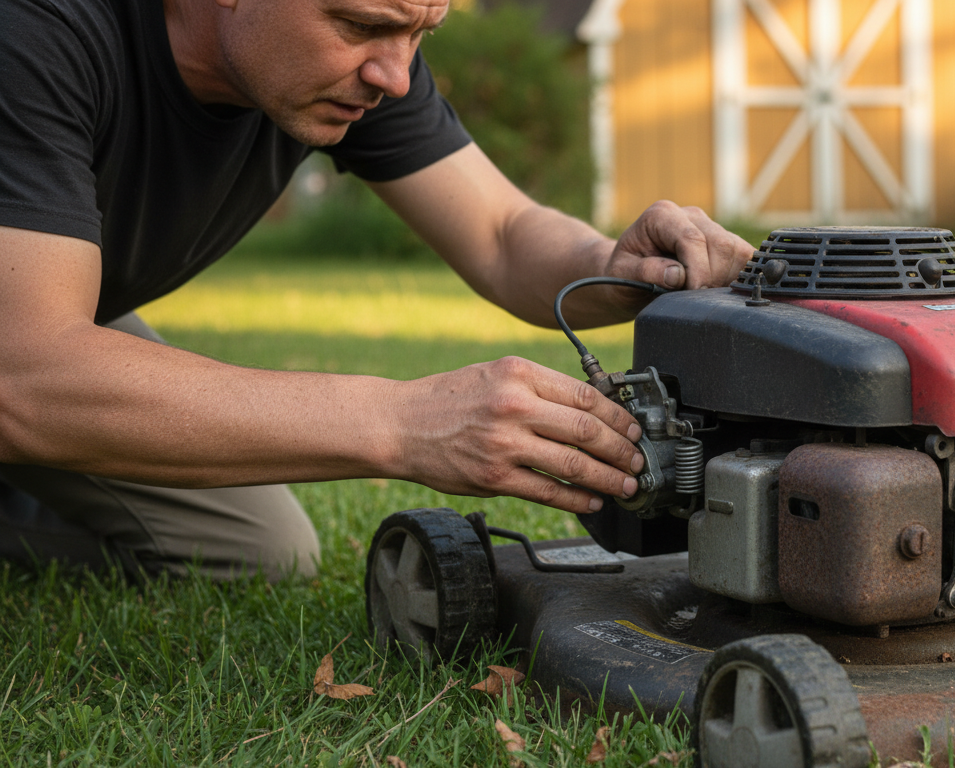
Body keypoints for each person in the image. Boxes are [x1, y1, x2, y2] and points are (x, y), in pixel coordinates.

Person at [0, 0, 753, 580]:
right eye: (361, 24)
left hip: (41, 321)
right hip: (29, 346)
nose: (394, 75)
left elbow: (499, 231)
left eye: (420, 31)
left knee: (260, 547)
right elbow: (25, 375)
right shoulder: (37, 34)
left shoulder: (349, 66)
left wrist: (614, 267)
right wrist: (402, 420)